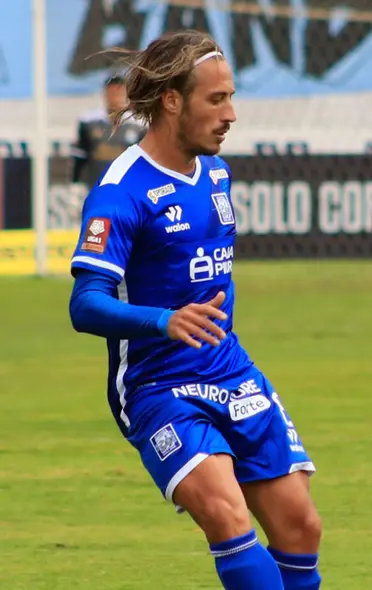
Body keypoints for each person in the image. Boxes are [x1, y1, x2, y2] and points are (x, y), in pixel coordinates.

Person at [67, 31, 323, 589]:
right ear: (173, 101)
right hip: (158, 385)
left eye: (232, 98)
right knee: (228, 518)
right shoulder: (120, 192)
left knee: (301, 526)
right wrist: (163, 320)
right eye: (217, 100)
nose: (231, 114)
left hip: (228, 367)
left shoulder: (216, 174)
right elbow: (84, 305)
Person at [71, 75, 147, 190]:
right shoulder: (89, 121)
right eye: (111, 94)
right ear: (105, 94)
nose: (115, 99)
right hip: (96, 185)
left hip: (128, 187)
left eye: (119, 94)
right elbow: (80, 155)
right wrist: (75, 182)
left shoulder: (140, 124)